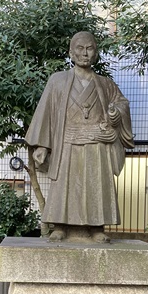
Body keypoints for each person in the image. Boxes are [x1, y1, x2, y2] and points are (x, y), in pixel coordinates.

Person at [25, 31, 134, 242]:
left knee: (96, 185)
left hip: (96, 143)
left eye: (90, 48)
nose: (85, 53)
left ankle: (96, 228)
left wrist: (115, 113)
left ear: (96, 53)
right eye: (80, 48)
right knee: (64, 186)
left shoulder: (105, 84)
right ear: (71, 53)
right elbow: (46, 113)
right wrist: (42, 146)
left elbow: (122, 103)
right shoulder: (57, 81)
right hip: (67, 142)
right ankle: (60, 226)